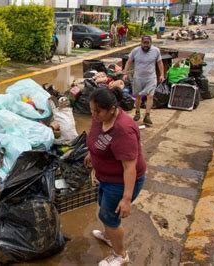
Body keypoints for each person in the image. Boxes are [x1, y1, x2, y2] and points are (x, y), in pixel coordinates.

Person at [85, 88, 146, 266]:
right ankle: (109, 236)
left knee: (109, 217)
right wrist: (92, 154)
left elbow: (129, 168)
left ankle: (121, 254)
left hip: (120, 182)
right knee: (104, 209)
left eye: (98, 111)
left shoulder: (123, 130)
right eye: (92, 110)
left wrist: (126, 199)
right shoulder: (100, 118)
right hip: (105, 179)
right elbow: (97, 139)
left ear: (112, 109)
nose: (94, 115)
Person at [123, 36, 164, 127]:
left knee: (150, 96)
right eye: (144, 43)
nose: (146, 45)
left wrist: (162, 74)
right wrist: (125, 73)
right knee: (138, 96)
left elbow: (160, 63)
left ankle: (147, 115)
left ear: (150, 43)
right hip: (138, 78)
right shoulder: (135, 51)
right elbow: (129, 61)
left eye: (147, 43)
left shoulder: (156, 50)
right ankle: (137, 112)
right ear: (141, 43)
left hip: (151, 77)